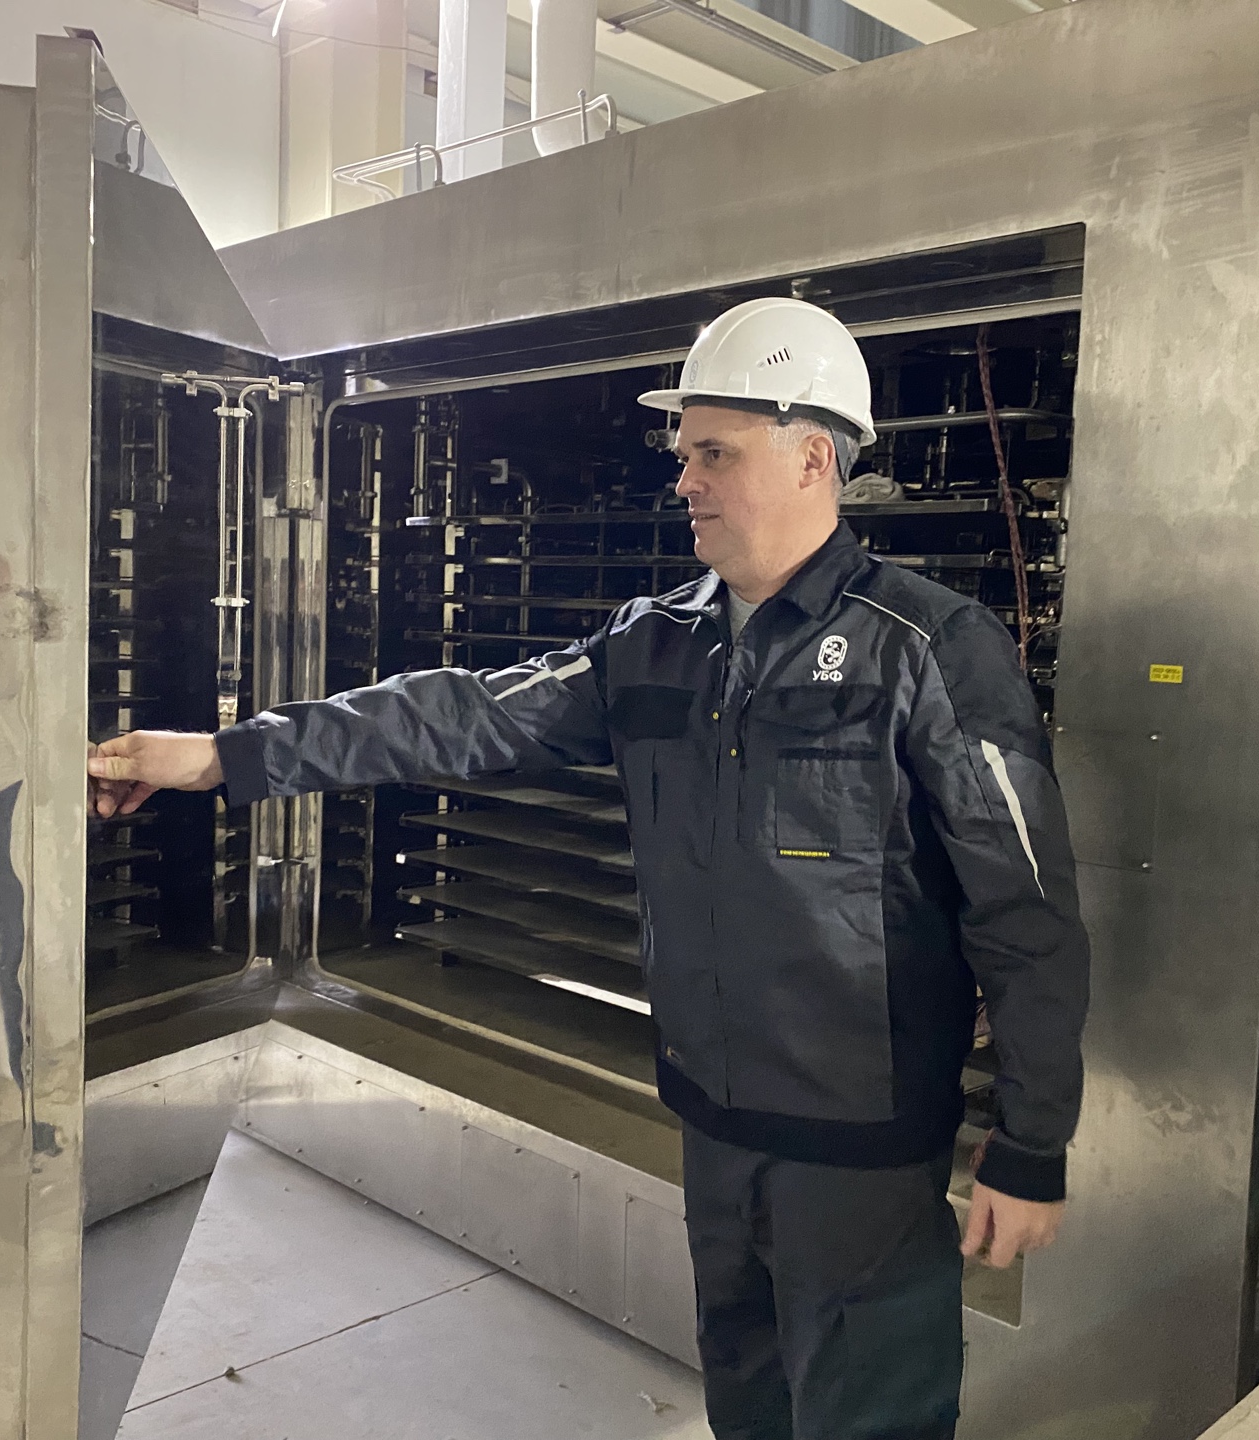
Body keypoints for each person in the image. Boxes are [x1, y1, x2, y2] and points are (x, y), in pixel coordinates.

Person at [88, 297, 1090, 1440]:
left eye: (714, 453)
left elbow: (1027, 916)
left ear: (815, 457)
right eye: (684, 454)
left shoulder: (928, 652)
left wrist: (1030, 1143)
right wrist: (225, 757)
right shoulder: (654, 643)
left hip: (863, 1165)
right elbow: (458, 715)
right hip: (715, 1136)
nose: (685, 480)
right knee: (751, 1409)